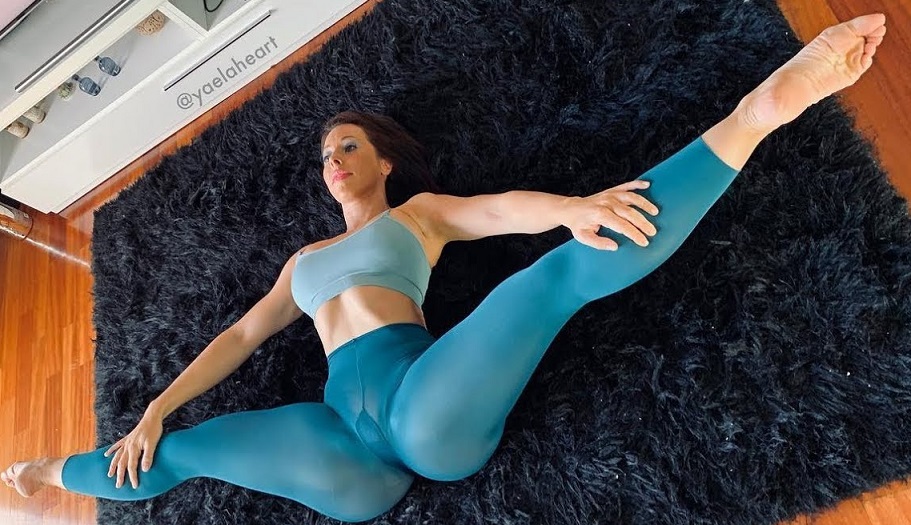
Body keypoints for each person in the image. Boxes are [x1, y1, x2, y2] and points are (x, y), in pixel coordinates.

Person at [3, 13, 888, 523]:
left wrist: (570, 207)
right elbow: (241, 335)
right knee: (177, 452)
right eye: (325, 154)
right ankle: (48, 473)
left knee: (548, 279)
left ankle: (756, 112)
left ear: (384, 160)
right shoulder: (302, 260)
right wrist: (155, 408)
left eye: (349, 146)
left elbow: (498, 211)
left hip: (425, 408)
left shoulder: (418, 216)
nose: (334, 161)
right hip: (342, 456)